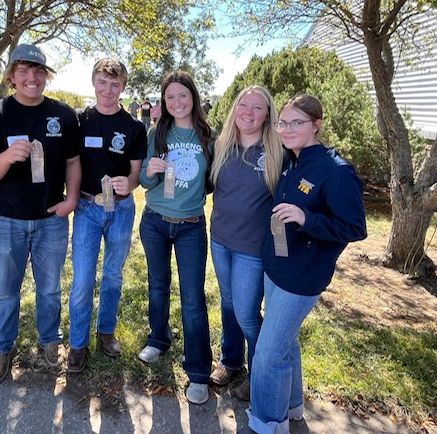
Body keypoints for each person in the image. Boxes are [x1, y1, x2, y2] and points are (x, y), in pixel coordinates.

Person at [248, 93, 367, 433]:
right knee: (286, 343)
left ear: (317, 124)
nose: (287, 129)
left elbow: (355, 227)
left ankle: (267, 426)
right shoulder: (292, 159)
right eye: (282, 122)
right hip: (277, 268)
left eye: (296, 122)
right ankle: (292, 408)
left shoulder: (336, 171)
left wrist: (307, 217)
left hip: (302, 277)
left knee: (268, 354)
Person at [0, 44, 82, 384]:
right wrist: (5, 157)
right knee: (6, 289)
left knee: (49, 288)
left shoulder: (63, 115)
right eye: (23, 71)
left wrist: (72, 200)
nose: (31, 78)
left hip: (51, 219)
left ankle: (50, 341)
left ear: (45, 76)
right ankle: (2, 347)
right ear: (11, 77)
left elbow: (73, 162)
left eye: (38, 72)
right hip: (5, 220)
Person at [138, 70, 215, 405]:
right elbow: (145, 181)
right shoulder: (158, 132)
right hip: (155, 221)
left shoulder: (209, 136)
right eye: (170, 97)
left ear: (193, 98)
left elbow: (212, 183)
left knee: (193, 297)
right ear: (163, 102)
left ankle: (198, 370)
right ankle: (159, 338)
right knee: (157, 284)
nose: (177, 102)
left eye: (182, 95)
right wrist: (150, 172)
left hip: (191, 226)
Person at [67, 58, 147, 373]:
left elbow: (136, 174)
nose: (108, 90)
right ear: (94, 83)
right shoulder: (79, 121)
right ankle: (77, 343)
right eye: (103, 82)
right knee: (84, 278)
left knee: (113, 275)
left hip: (121, 210)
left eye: (115, 84)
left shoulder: (134, 128)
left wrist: (129, 183)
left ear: (123, 87)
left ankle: (106, 331)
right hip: (87, 208)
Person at [208, 86, 284, 400]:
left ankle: (259, 373)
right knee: (228, 303)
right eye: (243, 105)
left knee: (247, 313)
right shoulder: (222, 145)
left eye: (257, 107)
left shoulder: (278, 151)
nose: (248, 112)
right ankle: (231, 360)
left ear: (268, 115)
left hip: (252, 248)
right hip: (220, 239)